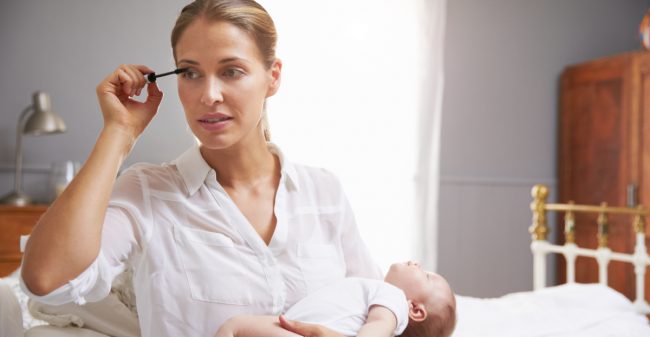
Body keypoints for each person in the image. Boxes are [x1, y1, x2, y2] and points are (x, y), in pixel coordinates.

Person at [19, 1, 382, 336]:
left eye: (232, 71)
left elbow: (378, 301)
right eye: (190, 73)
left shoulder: (323, 191)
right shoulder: (148, 192)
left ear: (273, 76)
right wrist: (119, 132)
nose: (209, 95)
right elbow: (47, 280)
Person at [215, 261, 456, 337]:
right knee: (234, 326)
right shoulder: (375, 292)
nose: (417, 263)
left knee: (234, 326)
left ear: (415, 309)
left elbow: (378, 327)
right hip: (292, 327)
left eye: (425, 275)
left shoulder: (393, 300)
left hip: (298, 333)